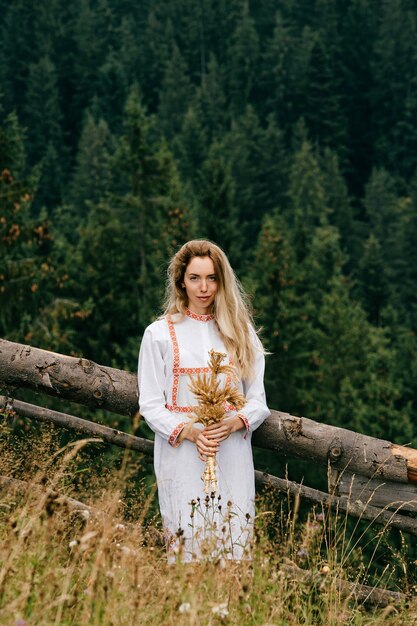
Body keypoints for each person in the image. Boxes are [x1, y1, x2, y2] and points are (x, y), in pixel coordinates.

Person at [137, 240, 270, 562]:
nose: (204, 287)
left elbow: (258, 399)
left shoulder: (240, 332)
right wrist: (190, 432)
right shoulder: (158, 334)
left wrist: (234, 422)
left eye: (211, 278)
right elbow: (151, 404)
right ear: (181, 280)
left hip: (232, 450)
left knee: (234, 538)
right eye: (195, 278)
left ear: (221, 281)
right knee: (187, 539)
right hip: (181, 452)